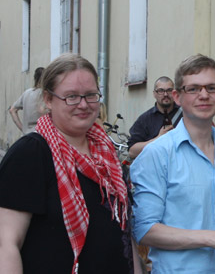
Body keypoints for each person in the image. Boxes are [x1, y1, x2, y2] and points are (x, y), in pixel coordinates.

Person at [0, 53, 138, 274]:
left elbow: (122, 232)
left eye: (91, 95)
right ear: (48, 99)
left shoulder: (107, 154)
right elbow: (7, 245)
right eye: (71, 96)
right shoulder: (31, 153)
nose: (83, 105)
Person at [131, 54, 215, 274]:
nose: (204, 95)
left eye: (211, 88)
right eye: (193, 89)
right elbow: (145, 230)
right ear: (177, 97)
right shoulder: (157, 154)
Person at [127, 76, 183, 159]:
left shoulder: (185, 114)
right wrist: (158, 139)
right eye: (161, 91)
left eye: (169, 90)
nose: (165, 94)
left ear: (174, 93)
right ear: (154, 94)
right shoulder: (144, 119)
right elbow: (132, 152)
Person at [9, 66, 45, 134]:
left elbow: (12, 110)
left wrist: (23, 129)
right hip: (41, 136)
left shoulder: (27, 93)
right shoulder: (46, 94)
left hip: (27, 135)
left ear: (34, 78)